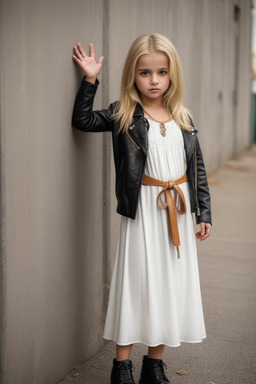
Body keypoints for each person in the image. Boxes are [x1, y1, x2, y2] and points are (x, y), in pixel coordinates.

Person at [72, 33, 212, 384]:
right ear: (133, 75)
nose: (154, 80)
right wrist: (90, 81)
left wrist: (203, 212)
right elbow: (84, 121)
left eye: (162, 72)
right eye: (145, 73)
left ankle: (154, 365)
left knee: (169, 285)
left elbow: (197, 169)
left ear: (172, 74)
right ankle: (122, 367)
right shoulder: (124, 114)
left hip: (176, 214)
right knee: (136, 284)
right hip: (144, 213)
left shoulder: (183, 117)